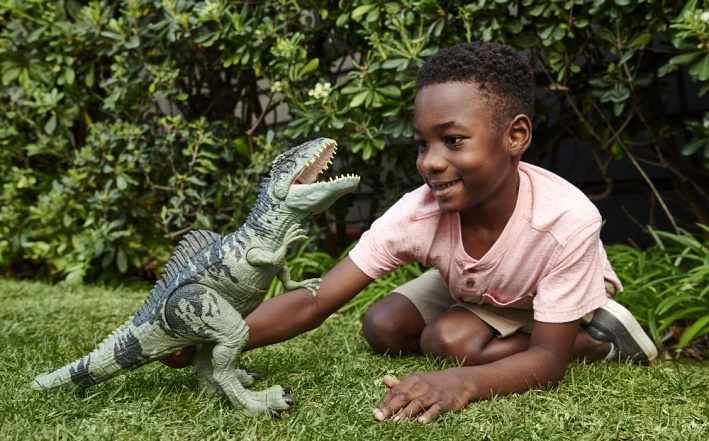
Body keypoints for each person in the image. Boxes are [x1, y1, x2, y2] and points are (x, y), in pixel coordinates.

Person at [242, 42, 658, 423]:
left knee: (448, 341)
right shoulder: (419, 212)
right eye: (423, 144)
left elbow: (547, 362)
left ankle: (594, 341)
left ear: (515, 136)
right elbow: (316, 301)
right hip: (474, 285)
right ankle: (479, 322)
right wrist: (218, 337)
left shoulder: (564, 221)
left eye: (453, 140)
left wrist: (462, 382)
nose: (430, 162)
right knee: (383, 326)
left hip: (539, 293)